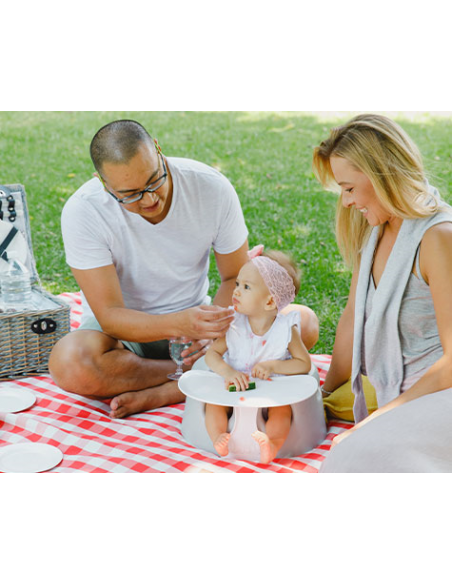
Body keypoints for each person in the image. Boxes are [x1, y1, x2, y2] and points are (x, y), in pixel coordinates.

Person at [49, 120, 319, 419]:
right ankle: (199, 375)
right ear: (104, 185)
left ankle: (168, 391)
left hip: (198, 330)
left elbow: (233, 276)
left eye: (154, 181)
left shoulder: (209, 187)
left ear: (160, 153)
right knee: (70, 363)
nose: (150, 199)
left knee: (303, 324)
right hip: (124, 337)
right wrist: (182, 325)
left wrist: (211, 329)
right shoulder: (84, 211)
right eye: (131, 194)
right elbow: (110, 316)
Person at [312, 113, 452, 472]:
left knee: (348, 462)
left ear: (381, 175)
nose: (345, 202)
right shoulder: (375, 231)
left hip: (439, 395)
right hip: (405, 401)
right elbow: (350, 320)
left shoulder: (438, 238)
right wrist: (323, 395)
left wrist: (380, 419)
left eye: (348, 188)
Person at [204, 250, 312, 464]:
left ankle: (272, 443)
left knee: (282, 411)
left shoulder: (285, 330)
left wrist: (274, 366)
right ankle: (218, 437)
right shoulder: (235, 325)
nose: (236, 292)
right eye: (237, 284)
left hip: (270, 391)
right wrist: (228, 372)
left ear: (270, 302)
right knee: (213, 405)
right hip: (234, 387)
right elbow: (212, 354)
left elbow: (304, 364)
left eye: (246, 287)